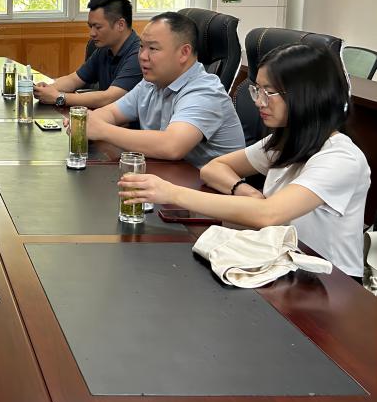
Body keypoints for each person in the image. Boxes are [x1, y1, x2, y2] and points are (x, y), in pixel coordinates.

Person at [119, 43, 370, 278]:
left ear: (307, 95)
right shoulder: (287, 140)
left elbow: (268, 214)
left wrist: (172, 193)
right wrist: (244, 190)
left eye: (269, 92)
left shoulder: (340, 158)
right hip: (281, 262)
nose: (259, 101)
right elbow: (213, 168)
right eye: (257, 90)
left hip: (331, 281)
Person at [81, 11, 245, 167]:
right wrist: (87, 122)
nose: (142, 56)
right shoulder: (151, 83)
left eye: (152, 49)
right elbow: (112, 113)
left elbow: (172, 146)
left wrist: (102, 130)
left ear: (184, 53)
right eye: (141, 47)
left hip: (208, 184)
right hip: (167, 175)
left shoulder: (205, 92)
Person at [34, 0, 142, 109]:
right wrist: (46, 89)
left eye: (98, 27)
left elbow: (109, 98)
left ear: (120, 25)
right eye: (91, 27)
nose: (92, 33)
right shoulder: (104, 48)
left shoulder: (139, 54)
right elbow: (74, 79)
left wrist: (59, 97)